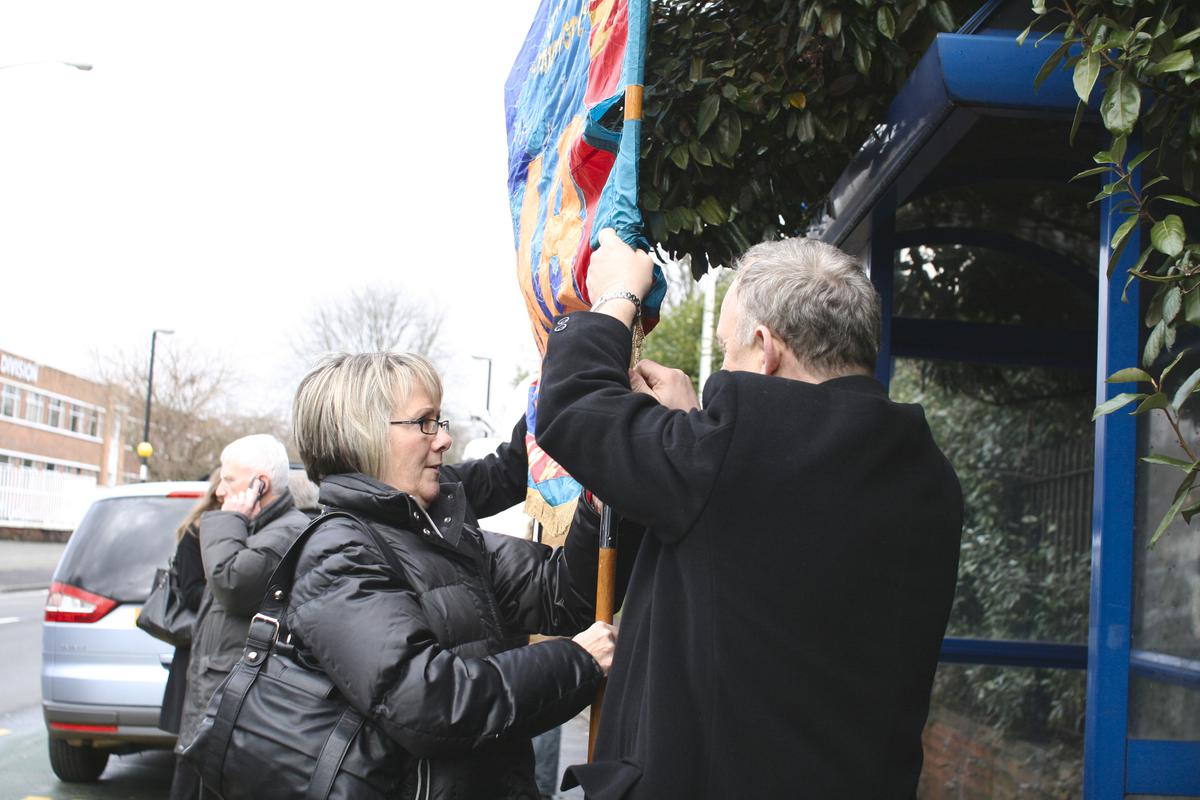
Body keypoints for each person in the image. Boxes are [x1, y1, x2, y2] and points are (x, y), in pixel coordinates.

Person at [535, 230, 964, 798]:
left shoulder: (726, 457)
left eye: (728, 348)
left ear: (764, 348)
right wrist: (693, 426)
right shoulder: (928, 477)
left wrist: (617, 293)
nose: (725, 366)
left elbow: (572, 406)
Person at [284, 351, 634, 798]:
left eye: (439, 420)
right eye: (424, 421)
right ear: (363, 435)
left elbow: (563, 597)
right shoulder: (338, 553)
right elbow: (429, 702)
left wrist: (597, 506)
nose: (443, 439)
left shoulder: (439, 532)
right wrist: (576, 661)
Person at [174, 434, 310, 773]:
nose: (219, 491)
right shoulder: (253, 529)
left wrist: (227, 520)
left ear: (260, 485)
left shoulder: (283, 535)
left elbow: (230, 582)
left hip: (235, 712)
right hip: (219, 701)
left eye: (228, 480)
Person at [162, 469, 219, 800]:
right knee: (191, 749)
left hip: (215, 649)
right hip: (198, 647)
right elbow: (191, 591)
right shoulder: (196, 534)